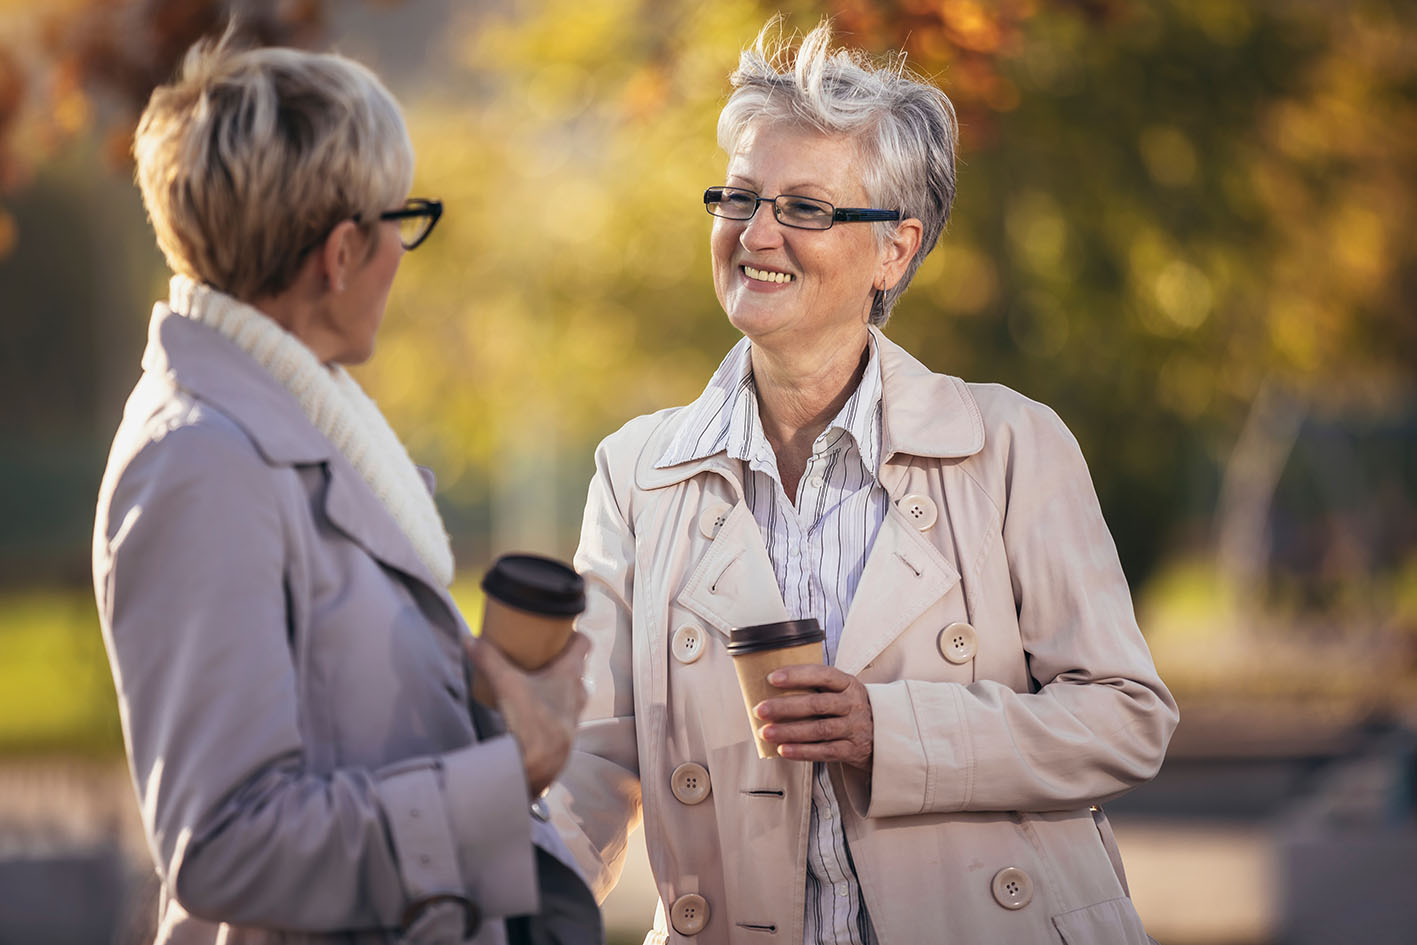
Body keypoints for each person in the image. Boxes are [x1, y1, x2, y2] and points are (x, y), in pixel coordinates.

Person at [549, 20, 1178, 945]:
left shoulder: (1009, 445)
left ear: (895, 248)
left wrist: (891, 728)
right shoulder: (635, 470)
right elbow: (592, 757)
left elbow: (1126, 718)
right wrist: (504, 897)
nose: (755, 233)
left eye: (805, 208)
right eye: (739, 197)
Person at [92, 34, 600, 945]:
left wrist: (487, 704)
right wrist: (509, 771)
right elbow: (223, 847)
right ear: (338, 253)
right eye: (401, 219)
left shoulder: (294, 428)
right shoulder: (202, 466)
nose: (403, 251)